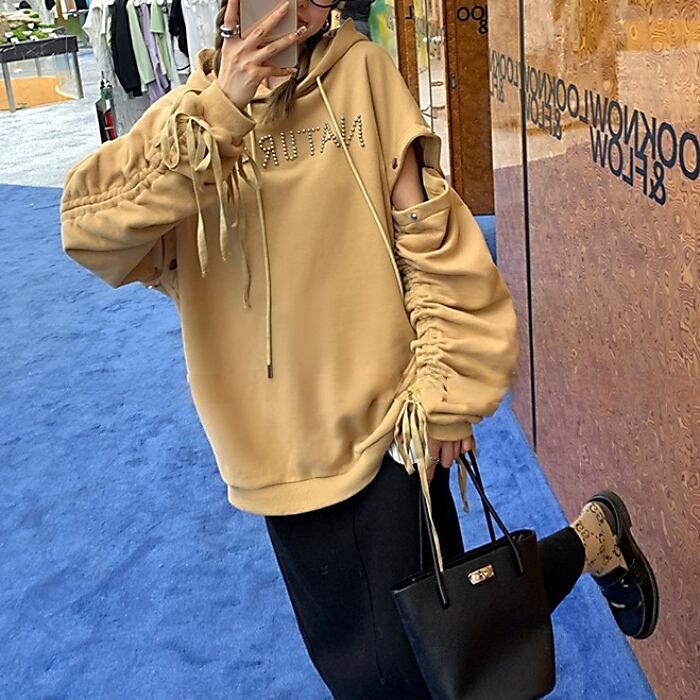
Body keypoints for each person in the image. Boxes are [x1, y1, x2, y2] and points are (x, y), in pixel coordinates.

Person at [60, 1, 659, 697]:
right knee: (384, 661)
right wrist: (223, 107)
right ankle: (593, 538)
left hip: (390, 431)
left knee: (429, 652)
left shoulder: (363, 75)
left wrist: (446, 391)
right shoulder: (190, 119)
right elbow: (89, 231)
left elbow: (428, 238)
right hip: (272, 452)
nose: (296, 10)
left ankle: (590, 540)